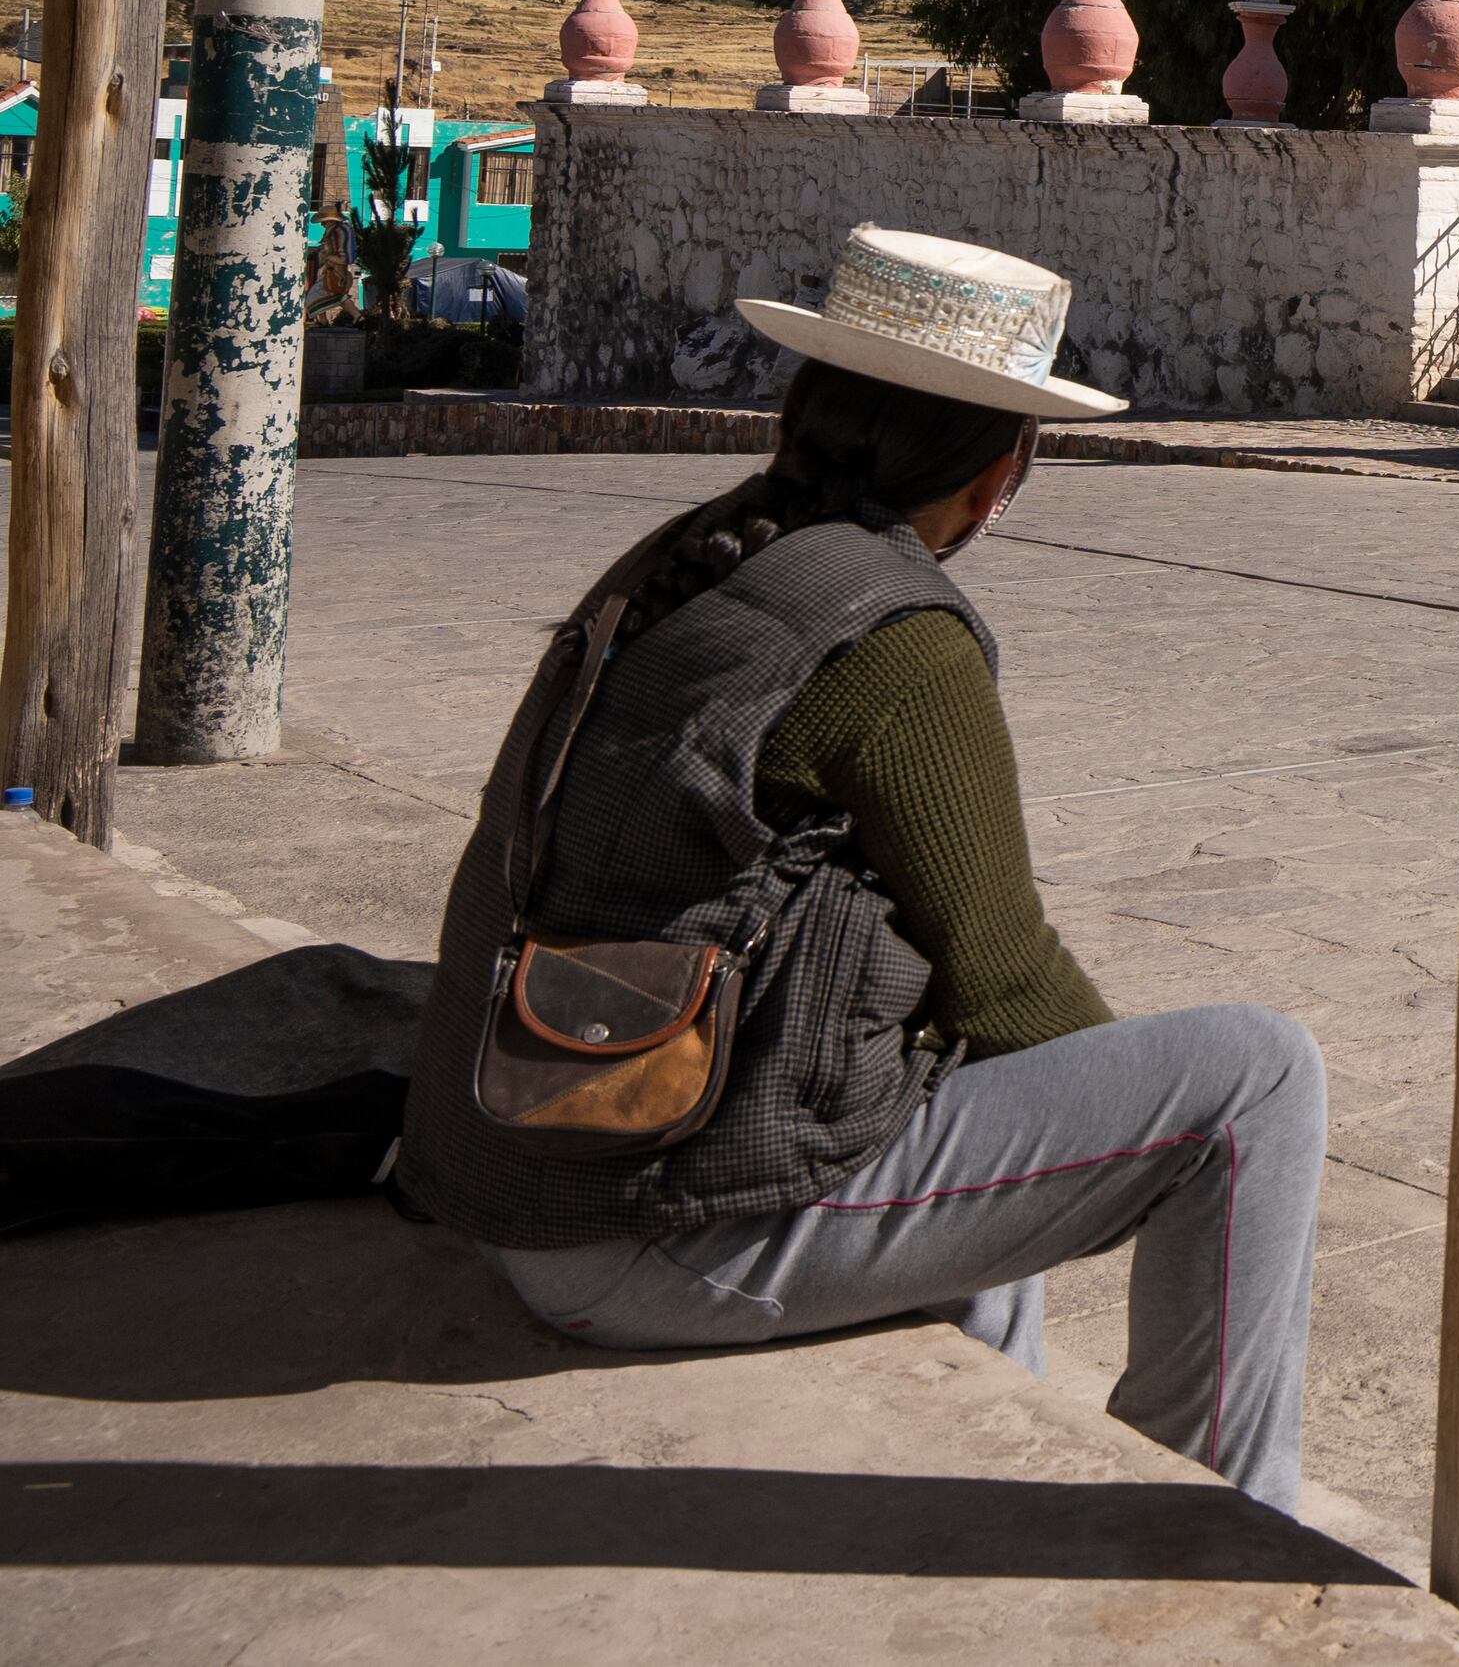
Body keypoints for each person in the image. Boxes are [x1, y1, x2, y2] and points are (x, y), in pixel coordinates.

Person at [399, 225, 1324, 1514]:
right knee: (1256, 1078)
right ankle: (1225, 1513)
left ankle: (985, 1426)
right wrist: (1114, 1118)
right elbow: (1010, 987)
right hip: (643, 1235)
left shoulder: (701, 550)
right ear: (1001, 471)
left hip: (518, 1171)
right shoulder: (896, 638)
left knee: (952, 1078)